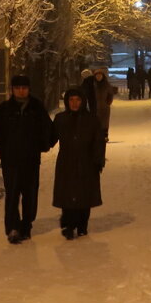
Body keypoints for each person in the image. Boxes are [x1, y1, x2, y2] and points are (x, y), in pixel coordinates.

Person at [0, 75, 53, 245]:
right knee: (12, 194)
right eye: (18, 88)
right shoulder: (5, 109)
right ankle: (12, 228)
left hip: (31, 159)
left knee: (30, 195)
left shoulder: (36, 107)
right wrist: (3, 146)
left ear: (29, 89)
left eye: (24, 87)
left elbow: (49, 129)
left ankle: (27, 224)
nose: (21, 90)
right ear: (12, 89)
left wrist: (44, 145)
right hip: (11, 160)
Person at [51, 86, 105, 239]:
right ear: (67, 102)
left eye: (78, 100)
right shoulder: (61, 119)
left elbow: (99, 141)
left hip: (86, 162)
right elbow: (50, 138)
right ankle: (68, 224)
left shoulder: (91, 119)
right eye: (71, 100)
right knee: (67, 194)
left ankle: (82, 225)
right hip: (66, 161)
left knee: (84, 194)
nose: (74, 103)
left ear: (83, 101)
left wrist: (98, 160)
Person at [83, 66, 116, 139]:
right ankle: (97, 136)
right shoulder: (92, 85)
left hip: (105, 107)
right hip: (95, 107)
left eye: (100, 75)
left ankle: (105, 135)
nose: (98, 77)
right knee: (96, 121)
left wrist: (108, 102)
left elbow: (110, 93)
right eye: (97, 75)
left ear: (102, 76)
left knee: (105, 122)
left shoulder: (106, 84)